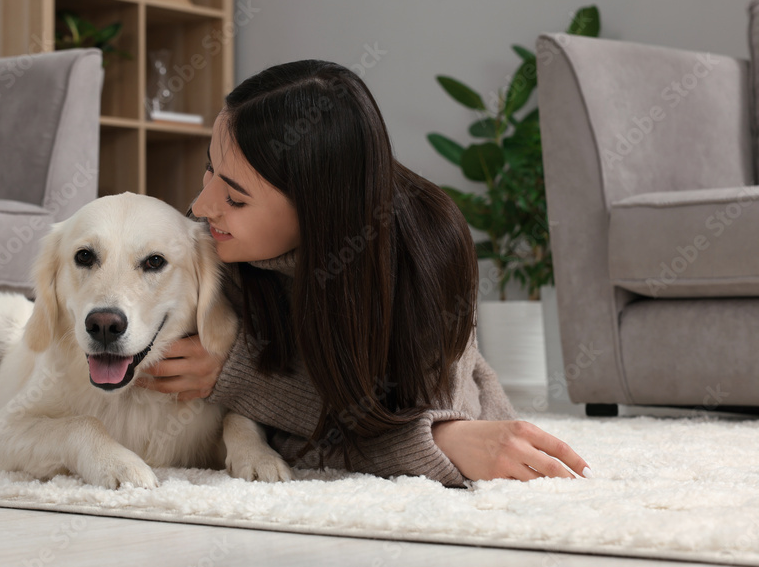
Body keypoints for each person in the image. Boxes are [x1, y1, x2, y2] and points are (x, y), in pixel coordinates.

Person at [135, 59, 592, 487]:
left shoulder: (430, 249)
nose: (200, 206)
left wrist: (239, 381)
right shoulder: (217, 253)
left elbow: (435, 425)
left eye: (235, 198)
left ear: (317, 209)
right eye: (210, 168)